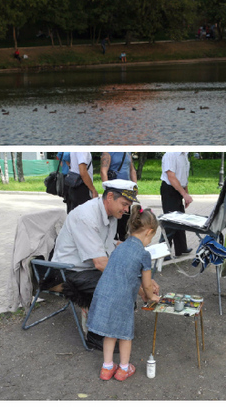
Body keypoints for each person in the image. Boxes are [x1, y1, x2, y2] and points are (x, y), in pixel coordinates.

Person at [51, 180, 158, 349]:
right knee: (114, 288)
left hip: (88, 269)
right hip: (67, 272)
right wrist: (139, 286)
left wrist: (141, 281)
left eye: (128, 205)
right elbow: (101, 263)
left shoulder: (111, 214)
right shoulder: (86, 216)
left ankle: (111, 330)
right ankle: (96, 336)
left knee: (120, 284)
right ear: (109, 197)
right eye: (124, 204)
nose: (126, 210)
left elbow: (108, 252)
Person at [87, 204, 161, 382]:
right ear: (148, 231)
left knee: (109, 333)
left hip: (105, 294)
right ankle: (123, 369)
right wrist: (151, 296)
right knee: (124, 334)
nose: (150, 242)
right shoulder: (143, 254)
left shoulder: (119, 247)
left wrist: (141, 292)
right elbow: (147, 283)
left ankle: (107, 368)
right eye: (152, 237)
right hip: (122, 300)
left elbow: (123, 275)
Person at [159, 152, 193, 256]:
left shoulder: (184, 154)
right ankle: (163, 253)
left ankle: (181, 248)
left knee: (180, 220)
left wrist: (185, 194)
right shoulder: (171, 154)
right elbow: (171, 177)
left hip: (178, 189)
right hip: (169, 189)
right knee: (170, 221)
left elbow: (184, 177)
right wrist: (184, 194)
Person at [100, 153, 137, 241]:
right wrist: (108, 188)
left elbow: (132, 170)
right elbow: (103, 171)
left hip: (127, 191)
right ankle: (111, 242)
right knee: (113, 219)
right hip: (115, 191)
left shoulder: (127, 152)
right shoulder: (108, 152)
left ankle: (123, 242)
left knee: (125, 220)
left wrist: (135, 186)